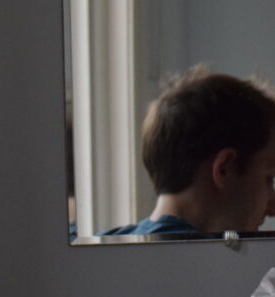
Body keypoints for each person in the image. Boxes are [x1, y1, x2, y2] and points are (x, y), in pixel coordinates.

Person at [102, 66, 275, 235]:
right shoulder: (215, 255)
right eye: (269, 179)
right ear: (224, 168)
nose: (272, 209)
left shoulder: (104, 244)